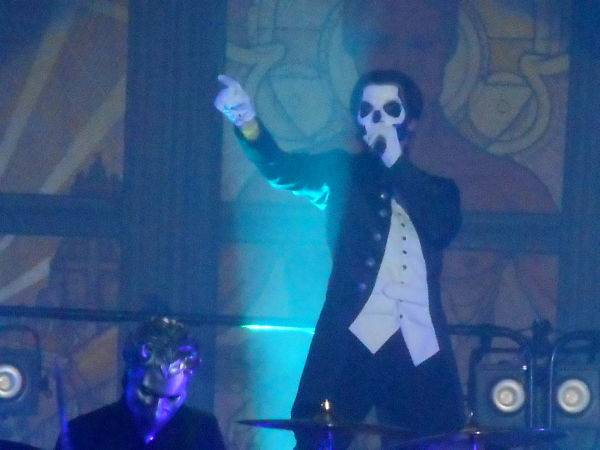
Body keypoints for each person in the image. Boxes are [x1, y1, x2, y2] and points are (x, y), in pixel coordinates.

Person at [215, 69, 465, 448]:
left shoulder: (438, 190)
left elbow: (442, 228)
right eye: (367, 111)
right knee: (320, 435)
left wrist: (396, 162)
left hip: (418, 343)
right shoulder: (342, 172)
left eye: (390, 110)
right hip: (353, 337)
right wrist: (247, 121)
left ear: (410, 122)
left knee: (435, 441)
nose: (378, 120)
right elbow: (282, 169)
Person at [55, 317, 226, 450]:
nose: (157, 411)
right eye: (146, 393)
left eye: (172, 398)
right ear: (128, 375)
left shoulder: (203, 432)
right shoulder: (83, 433)